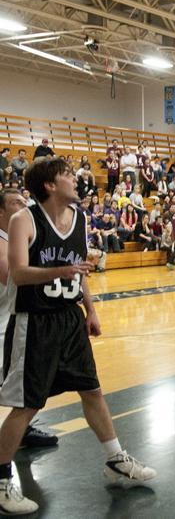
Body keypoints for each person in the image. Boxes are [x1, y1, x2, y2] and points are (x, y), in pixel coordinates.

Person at [0, 159, 155, 514]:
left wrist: (91, 308)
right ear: (49, 185)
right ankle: (1, 481)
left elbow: (80, 270)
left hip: (70, 320)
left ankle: (115, 458)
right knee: (27, 406)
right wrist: (63, 270)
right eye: (67, 175)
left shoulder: (80, 218)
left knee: (92, 389)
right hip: (34, 321)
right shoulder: (24, 219)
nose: (74, 179)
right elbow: (19, 275)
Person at [0, 189, 60, 449]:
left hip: (10, 321)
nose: (23, 206)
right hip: (4, 326)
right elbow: (13, 278)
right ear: (1, 212)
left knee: (24, 385)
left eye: (25, 201)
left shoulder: (21, 239)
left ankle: (21, 429)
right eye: (16, 202)